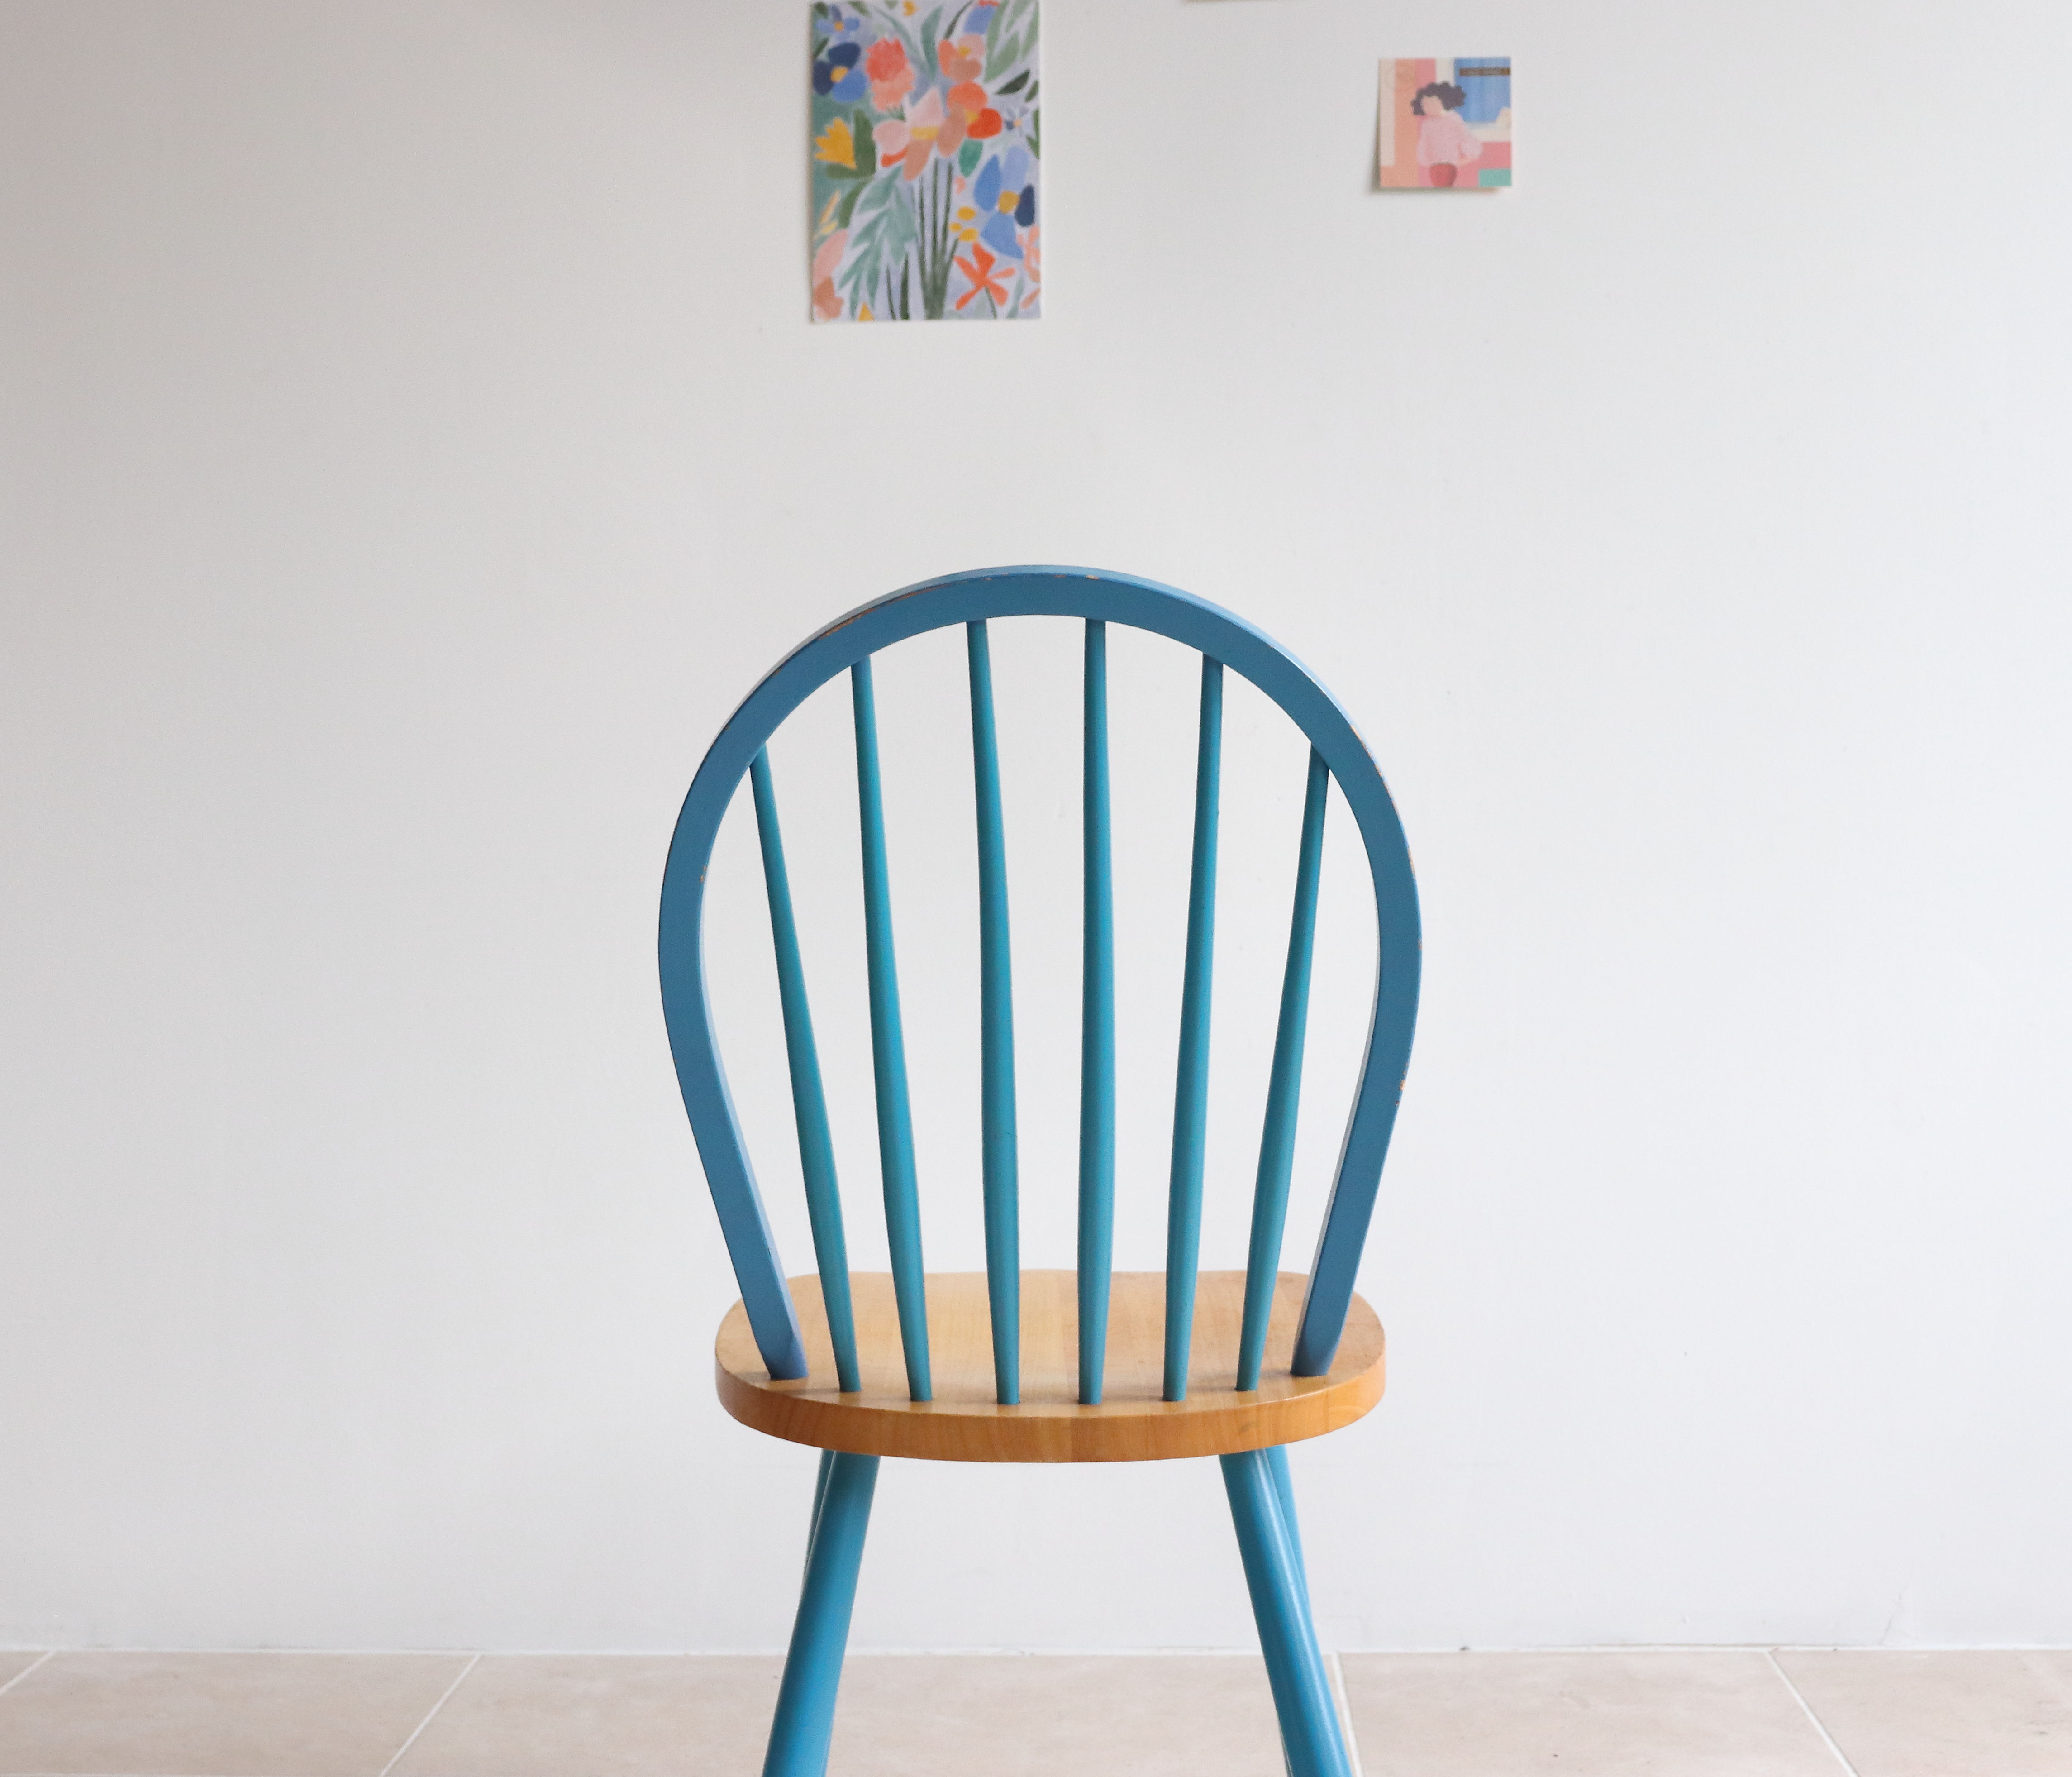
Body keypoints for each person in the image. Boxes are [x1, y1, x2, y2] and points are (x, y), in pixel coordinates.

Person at [1410, 80, 1481, 188]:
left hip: (1448, 166)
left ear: (1443, 102)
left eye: (1433, 103)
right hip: (1433, 167)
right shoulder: (1427, 124)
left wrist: (1465, 158)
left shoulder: (1453, 120)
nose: (1429, 107)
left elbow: (1465, 138)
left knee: (1444, 188)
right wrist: (1425, 159)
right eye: (1425, 104)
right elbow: (1424, 144)